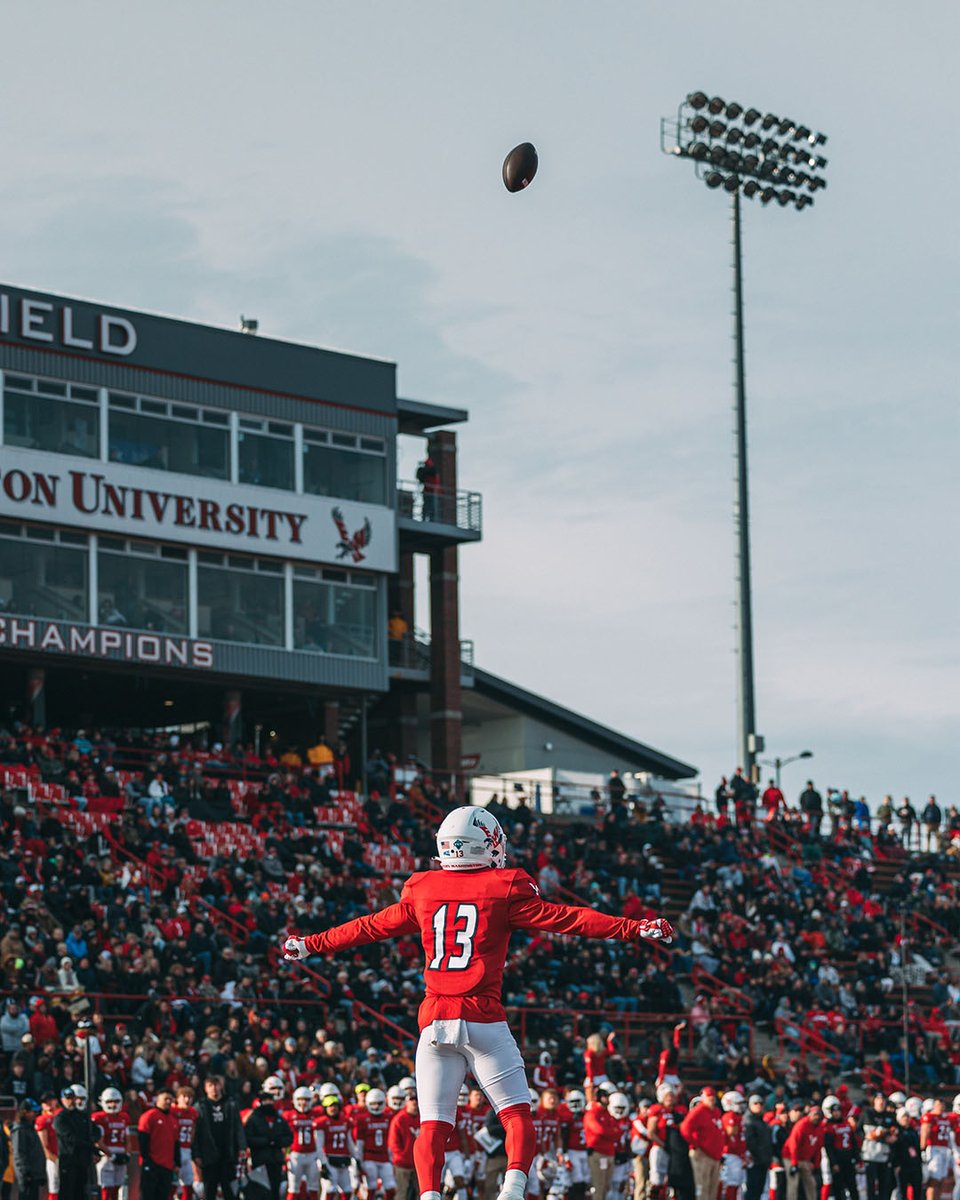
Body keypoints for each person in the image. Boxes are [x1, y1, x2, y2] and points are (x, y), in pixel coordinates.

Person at [283, 806, 674, 1200]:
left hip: (434, 1020)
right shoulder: (504, 886)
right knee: (517, 1114)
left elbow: (366, 927)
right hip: (482, 1017)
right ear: (487, 844)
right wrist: (632, 927)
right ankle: (512, 1190)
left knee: (434, 1124)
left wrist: (309, 944)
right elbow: (567, 918)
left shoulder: (423, 888)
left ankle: (431, 1195)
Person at [193, 1076, 245, 1200]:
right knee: (209, 1191)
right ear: (205, 1089)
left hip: (227, 1154)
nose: (214, 1089)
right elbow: (195, 1134)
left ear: (221, 1086)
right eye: (210, 1086)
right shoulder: (200, 1106)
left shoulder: (230, 1104)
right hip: (208, 1155)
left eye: (216, 1085)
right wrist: (196, 1154)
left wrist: (242, 1146)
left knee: (230, 1191)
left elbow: (238, 1127)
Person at [242, 1082, 292, 1200]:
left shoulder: (279, 1119)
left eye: (270, 1101)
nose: (268, 1103)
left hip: (276, 1159)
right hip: (260, 1160)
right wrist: (266, 1141)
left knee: (275, 1191)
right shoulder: (254, 1119)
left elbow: (289, 1137)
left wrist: (277, 1142)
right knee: (261, 1192)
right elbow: (248, 1139)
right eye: (266, 1101)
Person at [680, 1088, 723, 1200]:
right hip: (703, 1154)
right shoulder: (699, 1111)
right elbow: (685, 1128)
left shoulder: (716, 1111)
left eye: (713, 1096)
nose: (711, 1099)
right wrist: (696, 1144)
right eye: (709, 1096)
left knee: (713, 1186)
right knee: (702, 1186)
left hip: (715, 1154)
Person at [54, 1086, 97, 1200]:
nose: (71, 1101)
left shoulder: (82, 1115)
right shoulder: (60, 1118)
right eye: (68, 1098)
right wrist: (90, 1146)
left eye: (73, 1098)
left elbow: (94, 1130)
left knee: (80, 1192)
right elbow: (71, 1138)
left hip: (82, 1161)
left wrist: (93, 1142)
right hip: (69, 1161)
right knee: (68, 1192)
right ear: (62, 1100)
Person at [138, 1090, 180, 1200]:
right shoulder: (149, 1116)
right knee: (148, 1195)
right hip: (152, 1163)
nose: (168, 1101)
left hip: (167, 1165)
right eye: (165, 1098)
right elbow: (143, 1139)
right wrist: (147, 1159)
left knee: (163, 1195)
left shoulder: (173, 1120)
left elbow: (176, 1142)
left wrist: (177, 1161)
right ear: (158, 1099)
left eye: (170, 1099)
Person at [12, 1100, 45, 1200]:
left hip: (34, 1175)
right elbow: (19, 1154)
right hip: (28, 1177)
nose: (35, 1114)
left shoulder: (29, 1128)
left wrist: (40, 1173)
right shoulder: (20, 1130)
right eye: (33, 1111)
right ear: (25, 1112)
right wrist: (25, 1173)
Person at [742, 1095, 772, 1200]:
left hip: (763, 1161)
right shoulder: (748, 1121)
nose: (758, 1105)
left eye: (761, 1103)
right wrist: (758, 1157)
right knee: (752, 1189)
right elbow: (750, 1143)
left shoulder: (761, 1121)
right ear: (750, 1105)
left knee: (759, 1189)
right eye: (755, 1103)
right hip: (754, 1160)